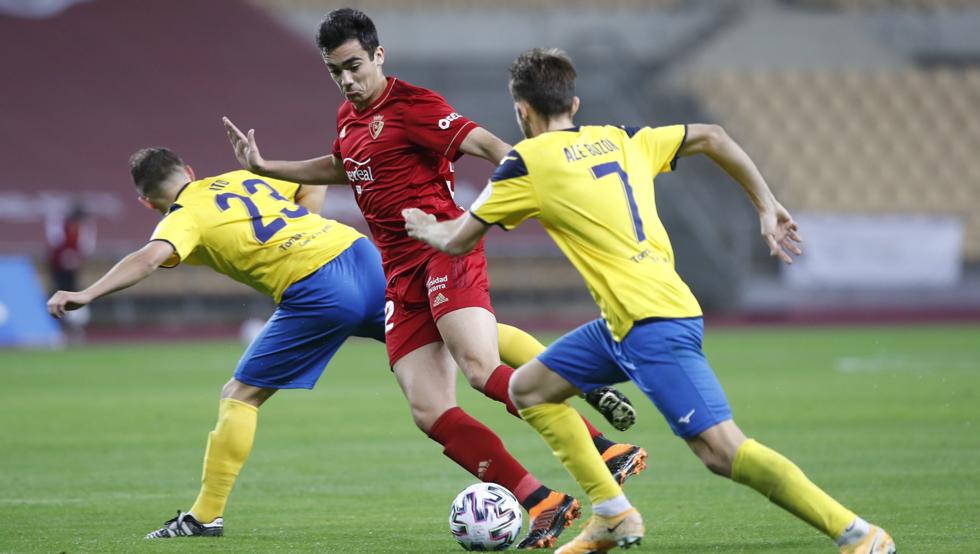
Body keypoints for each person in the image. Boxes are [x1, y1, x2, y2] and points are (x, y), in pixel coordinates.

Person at [403, 48, 896, 554]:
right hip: (629, 320)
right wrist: (766, 205)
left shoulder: (526, 163)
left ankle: (857, 534)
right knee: (529, 389)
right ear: (575, 103)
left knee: (722, 451)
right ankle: (612, 514)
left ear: (521, 110)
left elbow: (458, 240)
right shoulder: (622, 139)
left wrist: (424, 226)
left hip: (650, 324)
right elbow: (713, 136)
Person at [222, 8, 646, 549]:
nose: (347, 79)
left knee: (480, 369)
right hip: (399, 276)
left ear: (378, 55)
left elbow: (486, 144)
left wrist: (540, 180)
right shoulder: (349, 117)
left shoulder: (414, 105)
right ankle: (543, 501)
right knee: (428, 410)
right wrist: (267, 167)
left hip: (444, 250)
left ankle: (603, 449)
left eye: (354, 66)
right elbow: (343, 166)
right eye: (335, 71)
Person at [43, 148, 606, 541]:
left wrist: (85, 293)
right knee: (463, 334)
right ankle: (593, 434)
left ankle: (204, 516)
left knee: (240, 394)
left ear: (149, 203)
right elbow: (309, 184)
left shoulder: (183, 214)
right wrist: (306, 228)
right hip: (357, 252)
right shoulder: (237, 179)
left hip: (317, 290)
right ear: (190, 170)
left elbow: (150, 257)